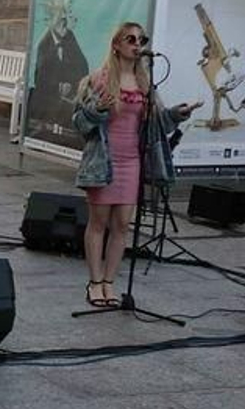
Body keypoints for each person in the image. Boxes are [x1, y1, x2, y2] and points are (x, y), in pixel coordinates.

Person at [74, 22, 195, 308]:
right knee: (98, 223)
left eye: (141, 39)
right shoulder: (99, 79)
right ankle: (93, 282)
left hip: (132, 162)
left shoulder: (145, 84)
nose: (137, 44)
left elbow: (157, 125)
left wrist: (177, 114)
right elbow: (80, 123)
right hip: (103, 161)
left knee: (123, 225)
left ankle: (109, 282)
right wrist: (96, 109)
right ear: (116, 44)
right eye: (130, 39)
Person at [30, 0, 89, 136]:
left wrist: (72, 83)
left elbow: (82, 66)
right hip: (50, 97)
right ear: (50, 18)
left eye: (64, 12)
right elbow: (40, 77)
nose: (63, 18)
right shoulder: (44, 44)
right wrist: (58, 86)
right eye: (58, 12)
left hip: (70, 96)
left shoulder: (69, 37)